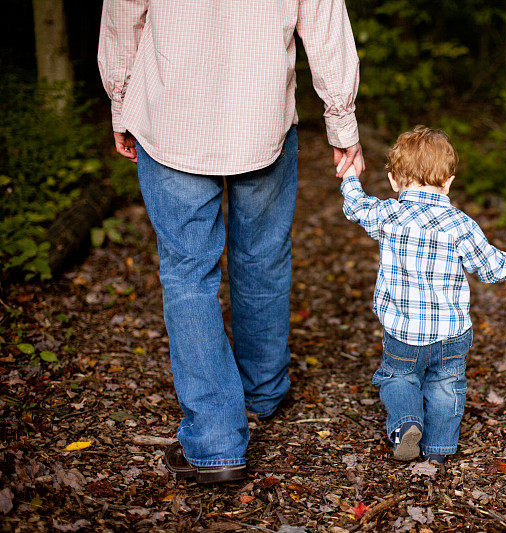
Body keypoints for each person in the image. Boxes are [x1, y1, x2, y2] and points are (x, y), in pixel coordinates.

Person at [98, 0, 365, 483]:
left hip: (171, 116)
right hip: (261, 119)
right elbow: (325, 23)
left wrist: (120, 103)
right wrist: (341, 121)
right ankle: (262, 390)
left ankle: (216, 440)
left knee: (187, 276)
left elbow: (122, 18)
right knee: (262, 257)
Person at [338, 126, 506, 465]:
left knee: (398, 378)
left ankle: (407, 424)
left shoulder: (389, 215)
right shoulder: (460, 224)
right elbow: (489, 266)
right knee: (446, 388)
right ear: (448, 182)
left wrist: (349, 176)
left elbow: (357, 207)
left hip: (403, 333)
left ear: (392, 180)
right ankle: (438, 450)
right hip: (451, 334)